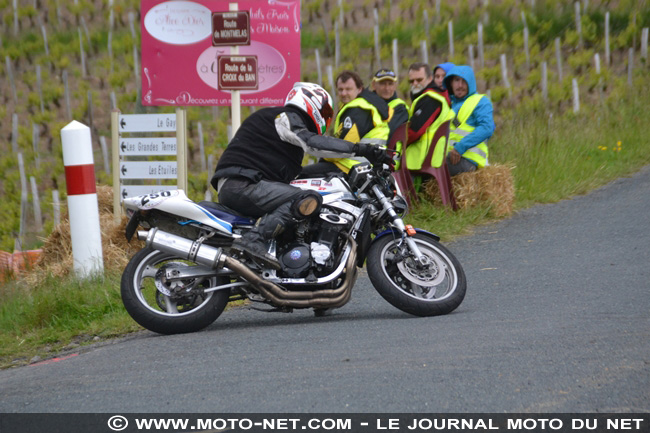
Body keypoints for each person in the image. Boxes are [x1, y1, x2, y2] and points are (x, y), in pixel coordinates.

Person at [211, 82, 391, 269]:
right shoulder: (285, 117)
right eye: (326, 112)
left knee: (302, 197)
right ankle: (253, 240)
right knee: (305, 197)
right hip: (243, 183)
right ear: (311, 101)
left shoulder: (284, 137)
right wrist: (361, 149)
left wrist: (337, 173)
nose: (326, 118)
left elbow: (300, 173)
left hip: (245, 183)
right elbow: (312, 143)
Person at [300, 70, 391, 177]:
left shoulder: (358, 109)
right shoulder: (367, 105)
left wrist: (322, 157)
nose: (343, 93)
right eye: (340, 89)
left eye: (348, 89)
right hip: (366, 165)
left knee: (299, 175)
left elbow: (344, 147)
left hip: (353, 166)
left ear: (359, 89)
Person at [443, 65, 495, 176]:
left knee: (429, 168)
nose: (460, 85)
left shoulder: (481, 101)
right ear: (451, 83)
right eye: (456, 80)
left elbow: (487, 128)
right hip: (452, 157)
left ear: (470, 83)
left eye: (464, 81)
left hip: (468, 160)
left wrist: (459, 148)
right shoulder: (450, 105)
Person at [402, 62, 454, 173]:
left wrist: (397, 144)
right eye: (411, 81)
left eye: (419, 80)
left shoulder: (430, 99)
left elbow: (413, 132)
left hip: (422, 160)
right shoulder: (428, 97)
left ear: (430, 78)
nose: (415, 84)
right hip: (427, 159)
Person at [370, 68, 409, 137]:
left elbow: (388, 131)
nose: (387, 88)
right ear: (373, 85)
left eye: (390, 84)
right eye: (382, 84)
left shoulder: (400, 107)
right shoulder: (366, 104)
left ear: (395, 86)